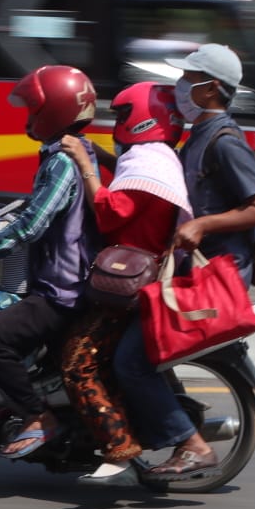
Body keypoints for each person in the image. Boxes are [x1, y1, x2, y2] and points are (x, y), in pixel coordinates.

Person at [113, 43, 255, 481]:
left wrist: (204, 225)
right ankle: (172, 422)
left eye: (189, 80)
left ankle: (193, 445)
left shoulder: (224, 141)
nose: (180, 87)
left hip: (214, 280)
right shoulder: (195, 137)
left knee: (129, 358)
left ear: (211, 90)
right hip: (193, 274)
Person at [0, 65, 100, 460]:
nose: (28, 117)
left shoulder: (63, 161)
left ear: (55, 111)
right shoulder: (65, 153)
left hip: (59, 292)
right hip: (59, 284)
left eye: (33, 109)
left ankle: (37, 416)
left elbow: (31, 226)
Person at [56, 82, 191, 487]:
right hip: (133, 277)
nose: (117, 123)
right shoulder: (156, 158)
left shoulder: (147, 162)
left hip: (124, 286)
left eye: (121, 115)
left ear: (142, 118)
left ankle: (119, 447)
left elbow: (112, 214)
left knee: (76, 363)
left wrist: (83, 162)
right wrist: (100, 156)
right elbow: (135, 191)